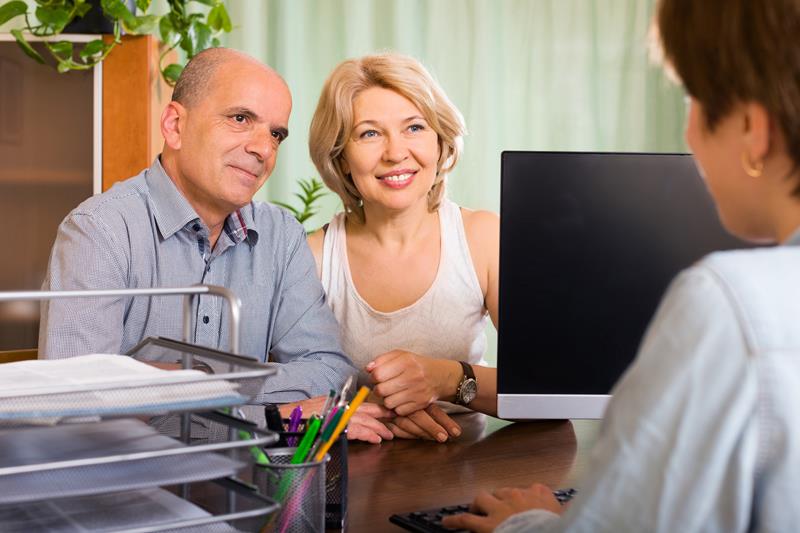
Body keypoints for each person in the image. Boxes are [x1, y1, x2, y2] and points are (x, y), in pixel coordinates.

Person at [444, 0, 800, 531]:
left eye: (695, 101)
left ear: (752, 129)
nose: (688, 135)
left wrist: (528, 524)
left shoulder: (732, 301)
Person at [39, 48, 357, 407]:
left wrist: (197, 382)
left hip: (250, 465)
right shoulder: (99, 231)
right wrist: (262, 411)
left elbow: (329, 372)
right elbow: (77, 403)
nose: (263, 149)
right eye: (240, 118)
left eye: (276, 134)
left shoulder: (281, 235)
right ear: (175, 126)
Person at [305, 52, 500, 443]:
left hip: (469, 461)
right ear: (341, 159)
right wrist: (375, 408)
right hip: (358, 475)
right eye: (369, 134)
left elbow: (551, 392)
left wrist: (448, 379)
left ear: (441, 143)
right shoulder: (312, 257)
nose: (395, 152)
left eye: (414, 127)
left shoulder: (483, 237)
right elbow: (278, 401)